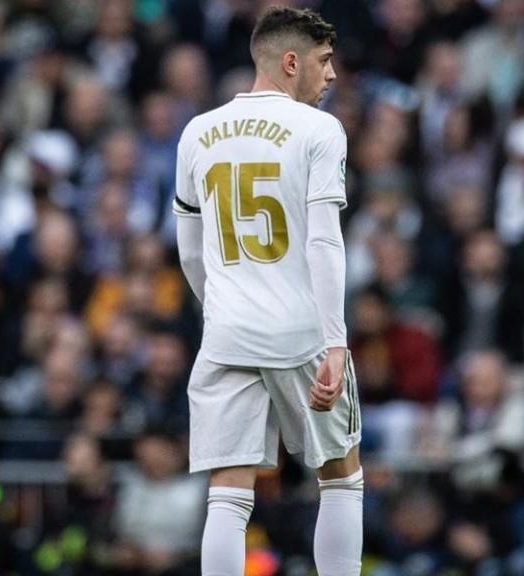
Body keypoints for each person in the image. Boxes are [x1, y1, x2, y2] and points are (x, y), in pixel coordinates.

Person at [173, 7, 362, 575]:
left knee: (228, 495)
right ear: (290, 61)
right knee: (341, 475)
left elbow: (188, 249)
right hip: (302, 330)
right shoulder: (319, 129)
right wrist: (335, 341)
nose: (331, 76)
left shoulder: (197, 131)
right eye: (324, 62)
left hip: (227, 332)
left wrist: (223, 306)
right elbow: (325, 241)